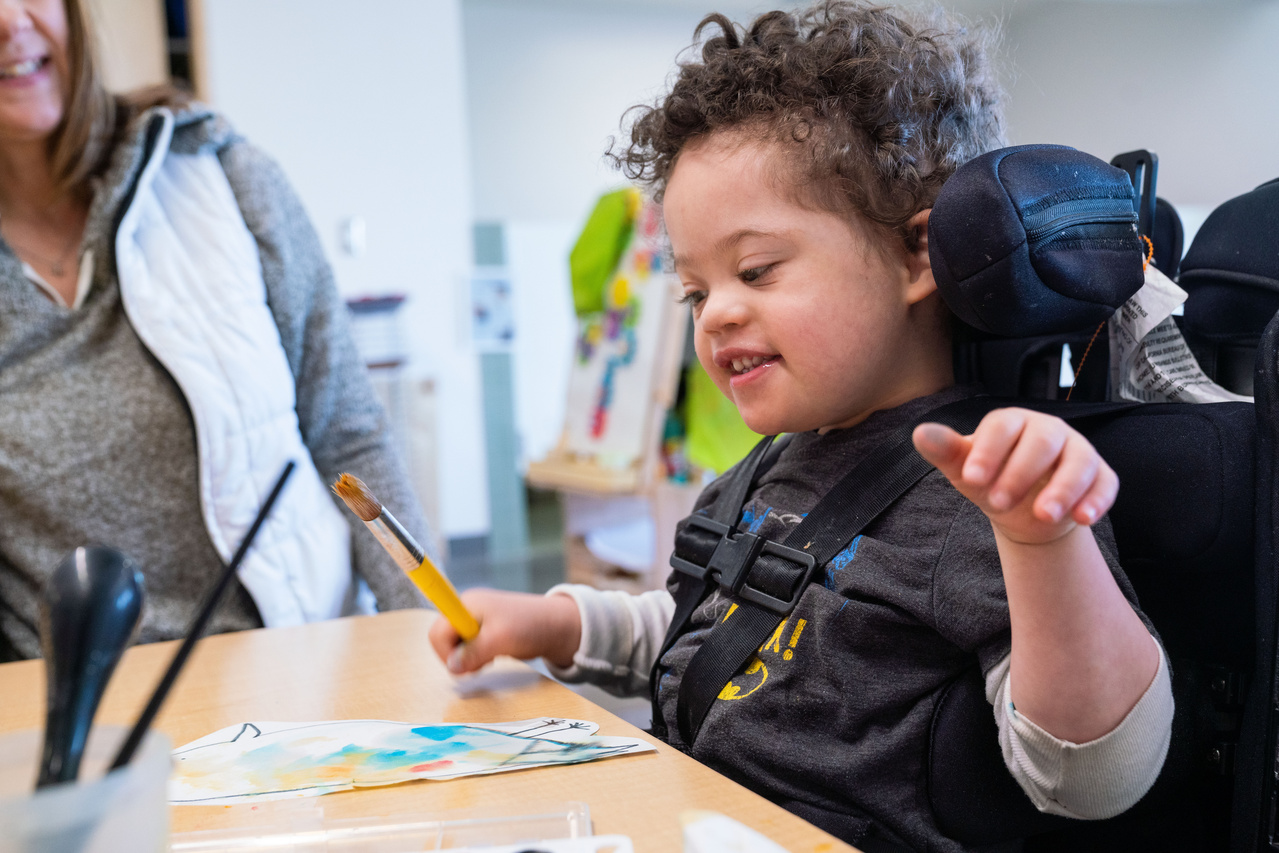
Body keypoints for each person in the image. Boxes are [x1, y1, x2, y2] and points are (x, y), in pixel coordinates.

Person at [431, 3, 1176, 851]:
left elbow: (1093, 778)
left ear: (914, 254)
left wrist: (1043, 546)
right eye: (696, 291)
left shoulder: (986, 487)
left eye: (755, 270)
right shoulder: (763, 474)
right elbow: (714, 640)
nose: (714, 317)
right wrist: (556, 626)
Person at [0, 0, 432, 661]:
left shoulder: (219, 174)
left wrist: (426, 625)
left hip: (300, 677)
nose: (10, 19)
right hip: (75, 724)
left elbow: (346, 432)